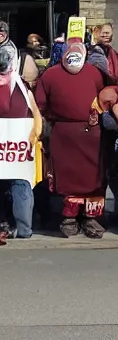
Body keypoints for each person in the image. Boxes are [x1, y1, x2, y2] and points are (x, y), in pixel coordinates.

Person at [35, 40, 107, 238]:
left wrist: (98, 112)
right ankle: (69, 218)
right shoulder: (50, 75)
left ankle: (90, 217)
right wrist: (52, 119)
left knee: (92, 177)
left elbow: (106, 94)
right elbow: (40, 102)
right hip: (63, 133)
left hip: (91, 132)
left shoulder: (94, 72)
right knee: (67, 177)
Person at [0, 46, 43, 243]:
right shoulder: (23, 87)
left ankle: (24, 228)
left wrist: (35, 134)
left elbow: (35, 113)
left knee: (21, 186)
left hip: (18, 147)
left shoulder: (22, 87)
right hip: (10, 148)